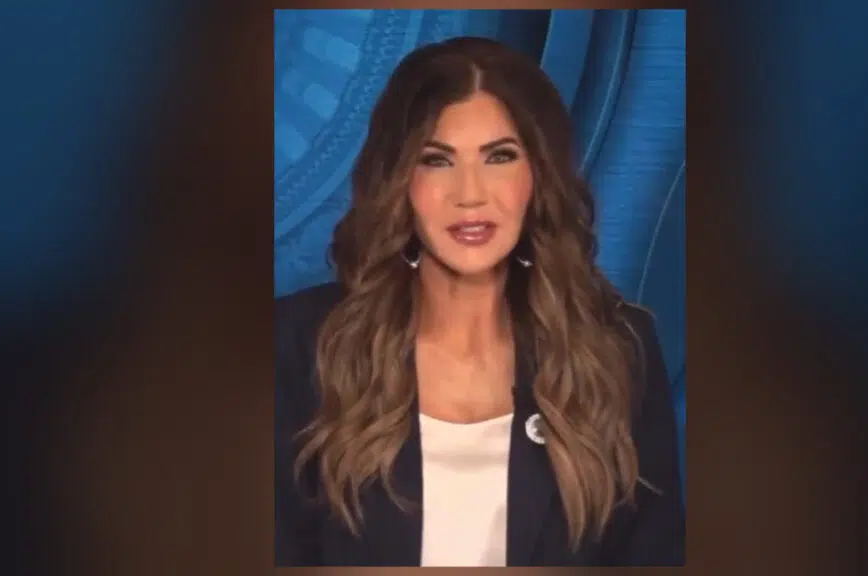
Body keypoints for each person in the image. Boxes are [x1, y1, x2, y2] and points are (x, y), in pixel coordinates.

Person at [274, 36, 685, 567]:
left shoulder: (618, 349)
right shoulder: (299, 344)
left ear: (537, 176)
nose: (470, 194)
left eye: (499, 157)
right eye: (436, 161)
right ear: (399, 182)